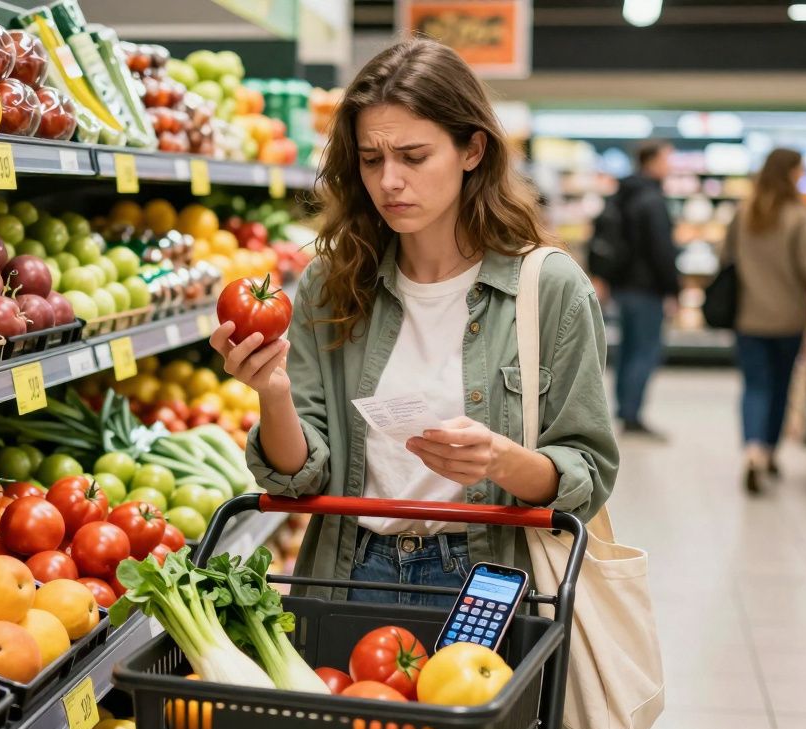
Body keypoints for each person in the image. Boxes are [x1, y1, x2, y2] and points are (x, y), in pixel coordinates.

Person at [208, 38, 619, 607]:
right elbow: (300, 478)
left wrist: (501, 460)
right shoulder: (333, 284)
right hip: (350, 571)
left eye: (414, 156)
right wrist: (272, 394)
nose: (389, 181)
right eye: (371, 160)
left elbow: (586, 475)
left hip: (489, 579)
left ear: (472, 150)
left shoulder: (547, 289)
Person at [725, 148, 806, 493]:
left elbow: (725, 258)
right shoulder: (799, 216)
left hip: (748, 316)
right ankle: (769, 452)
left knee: (754, 385)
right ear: (791, 173)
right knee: (780, 386)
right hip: (789, 318)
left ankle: (752, 450)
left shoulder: (744, 211)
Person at [608, 141, 680, 439]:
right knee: (645, 351)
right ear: (651, 162)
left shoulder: (624, 194)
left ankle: (624, 408)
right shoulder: (652, 199)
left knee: (627, 350)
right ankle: (633, 415)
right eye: (667, 158)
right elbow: (661, 250)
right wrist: (672, 289)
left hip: (623, 285)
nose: (670, 164)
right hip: (647, 288)